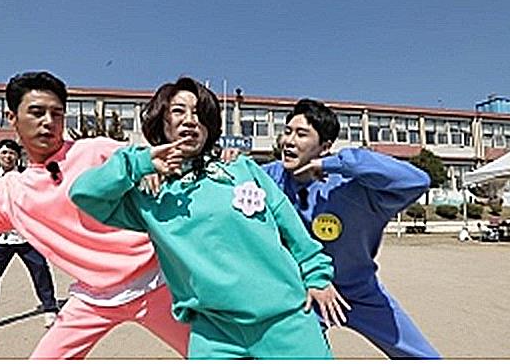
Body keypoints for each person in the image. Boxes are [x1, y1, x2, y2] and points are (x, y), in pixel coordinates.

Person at [69, 77, 350, 359]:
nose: (191, 120)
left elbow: (292, 229)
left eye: (199, 113)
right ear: (161, 121)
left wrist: (317, 276)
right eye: (178, 111)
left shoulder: (240, 168)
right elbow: (85, 194)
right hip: (214, 334)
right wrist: (139, 163)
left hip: (286, 320)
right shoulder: (149, 195)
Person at [0, 71, 189, 358]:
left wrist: (149, 168)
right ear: (12, 118)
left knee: (212, 354)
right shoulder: (11, 192)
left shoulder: (95, 151)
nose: (48, 121)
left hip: (157, 283)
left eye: (57, 114)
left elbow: (147, 159)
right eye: (36, 112)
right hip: (92, 298)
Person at [261, 99, 441, 359]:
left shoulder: (353, 186)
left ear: (325, 146)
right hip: (303, 296)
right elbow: (228, 181)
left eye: (301, 134)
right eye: (287, 131)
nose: (288, 141)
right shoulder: (269, 179)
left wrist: (332, 164)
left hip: (360, 292)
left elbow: (418, 181)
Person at [0, 139, 59, 336]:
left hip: (27, 236)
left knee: (40, 271)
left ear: (18, 156)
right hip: (1, 238)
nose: (8, 156)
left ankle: (50, 309)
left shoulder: (27, 176)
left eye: (12, 153)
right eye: (4, 153)